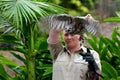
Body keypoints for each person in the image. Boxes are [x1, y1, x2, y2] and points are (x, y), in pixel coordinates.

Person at [47, 14, 102, 80]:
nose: (69, 37)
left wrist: (93, 66)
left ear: (79, 34)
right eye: (66, 34)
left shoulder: (92, 54)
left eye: (72, 34)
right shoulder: (58, 52)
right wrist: (79, 20)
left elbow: (96, 78)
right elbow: (53, 32)